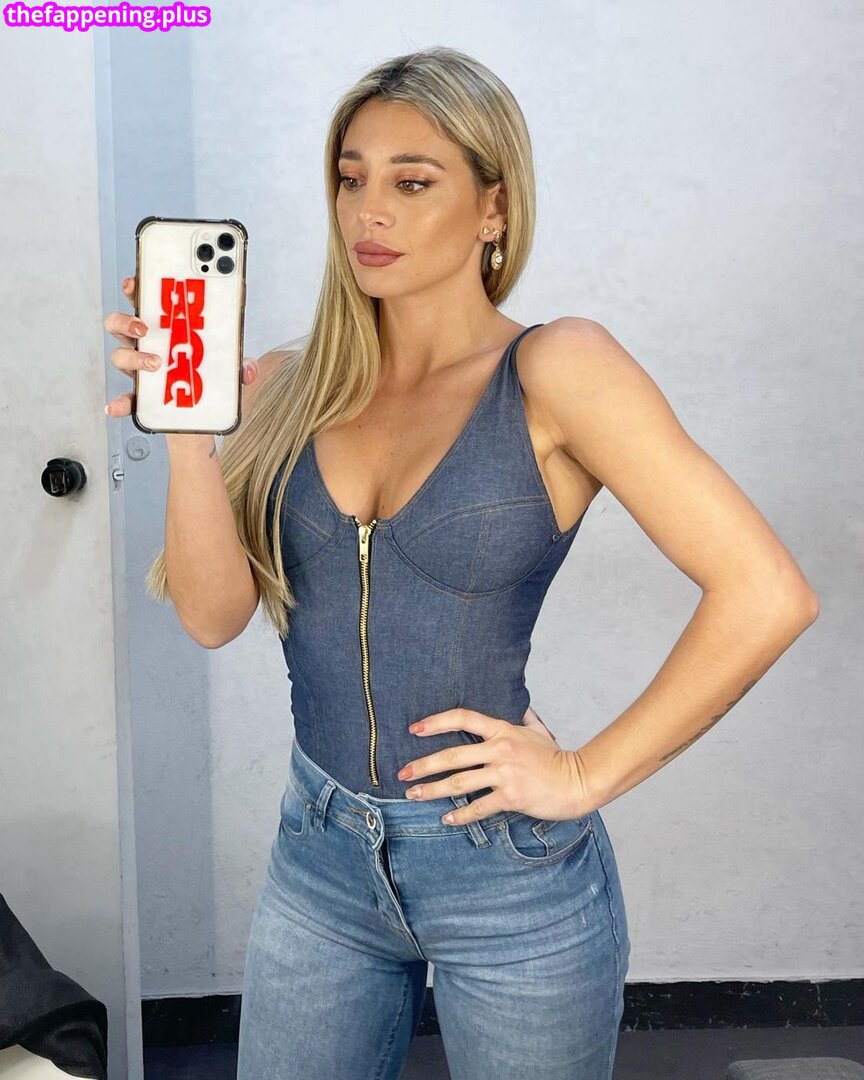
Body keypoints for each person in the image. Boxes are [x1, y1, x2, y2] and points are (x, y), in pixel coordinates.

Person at [103, 45, 819, 1080]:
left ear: (494, 207)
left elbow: (766, 592)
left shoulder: (558, 368)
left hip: (503, 873)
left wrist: (583, 774)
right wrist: (187, 438)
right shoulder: (291, 383)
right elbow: (213, 616)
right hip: (320, 863)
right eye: (350, 177)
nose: (368, 211)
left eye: (413, 182)